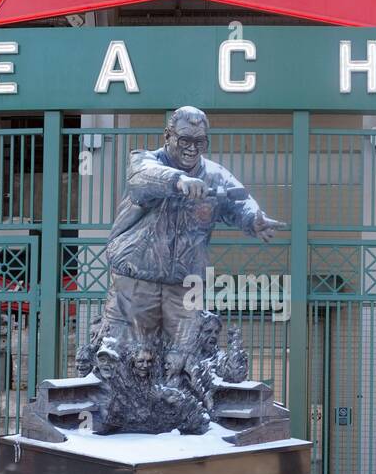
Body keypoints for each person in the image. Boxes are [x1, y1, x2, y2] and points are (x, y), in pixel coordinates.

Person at [101, 105, 283, 380]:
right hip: (136, 277)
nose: (192, 148)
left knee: (186, 358)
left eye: (200, 142)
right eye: (184, 140)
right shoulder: (144, 161)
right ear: (168, 136)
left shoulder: (214, 174)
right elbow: (142, 180)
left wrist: (252, 219)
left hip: (187, 283)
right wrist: (178, 182)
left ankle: (181, 414)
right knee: (125, 355)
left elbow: (240, 200)